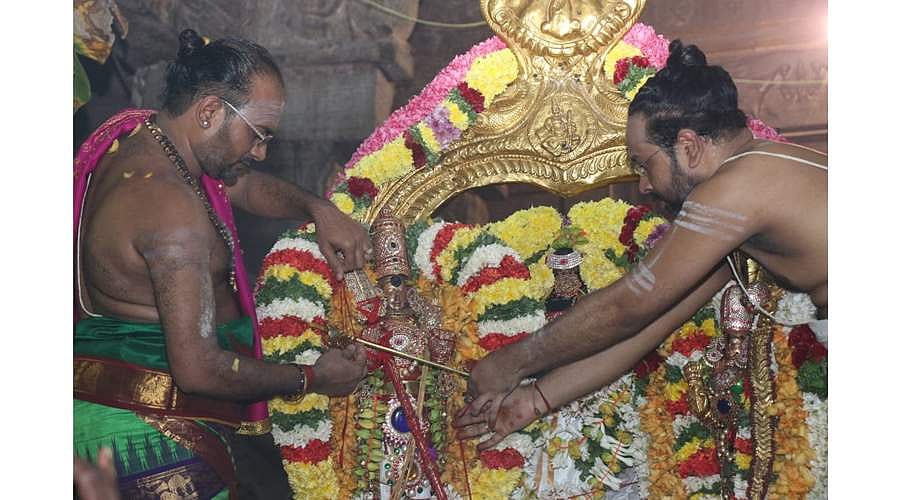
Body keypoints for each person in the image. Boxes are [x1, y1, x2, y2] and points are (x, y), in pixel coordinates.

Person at [454, 39, 827, 443]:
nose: (645, 186)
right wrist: (535, 399)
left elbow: (626, 308)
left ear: (688, 146)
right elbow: (654, 321)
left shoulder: (733, 189)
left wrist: (512, 362)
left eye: (644, 164)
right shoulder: (759, 176)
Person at [74, 29, 371, 498]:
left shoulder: (144, 142)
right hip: (149, 434)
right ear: (210, 111)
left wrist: (319, 209)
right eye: (258, 134)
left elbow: (242, 186)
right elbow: (199, 368)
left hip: (109, 404)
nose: (261, 152)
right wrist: (313, 377)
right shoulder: (172, 211)